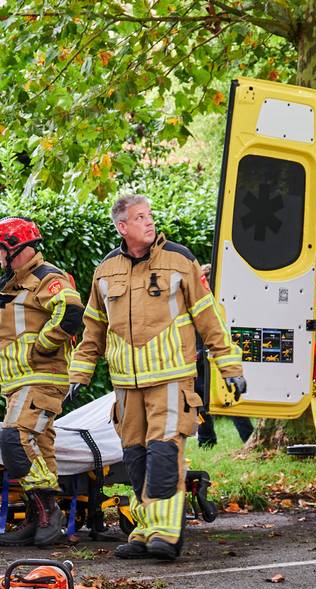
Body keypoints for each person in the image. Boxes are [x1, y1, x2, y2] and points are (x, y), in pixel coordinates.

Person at [69, 194, 245, 562]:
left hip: (171, 379)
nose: (149, 222)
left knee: (164, 455)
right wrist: (79, 373)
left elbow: (208, 316)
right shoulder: (105, 270)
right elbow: (93, 327)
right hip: (126, 386)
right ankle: (145, 530)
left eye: (149, 215)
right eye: (139, 217)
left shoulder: (180, 260)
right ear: (122, 227)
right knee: (134, 460)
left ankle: (167, 534)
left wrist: (229, 366)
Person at [0, 217, 84, 547]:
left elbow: (71, 311)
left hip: (39, 380)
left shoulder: (46, 277)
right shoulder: (14, 284)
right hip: (19, 383)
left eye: (0, 250)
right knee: (40, 448)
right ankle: (38, 518)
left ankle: (48, 511)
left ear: (16, 248)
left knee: (14, 439)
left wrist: (43, 345)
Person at [194, 263, 254, 447]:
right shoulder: (204, 300)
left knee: (222, 398)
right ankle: (207, 439)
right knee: (203, 401)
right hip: (202, 357)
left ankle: (211, 439)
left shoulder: (221, 302)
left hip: (216, 356)